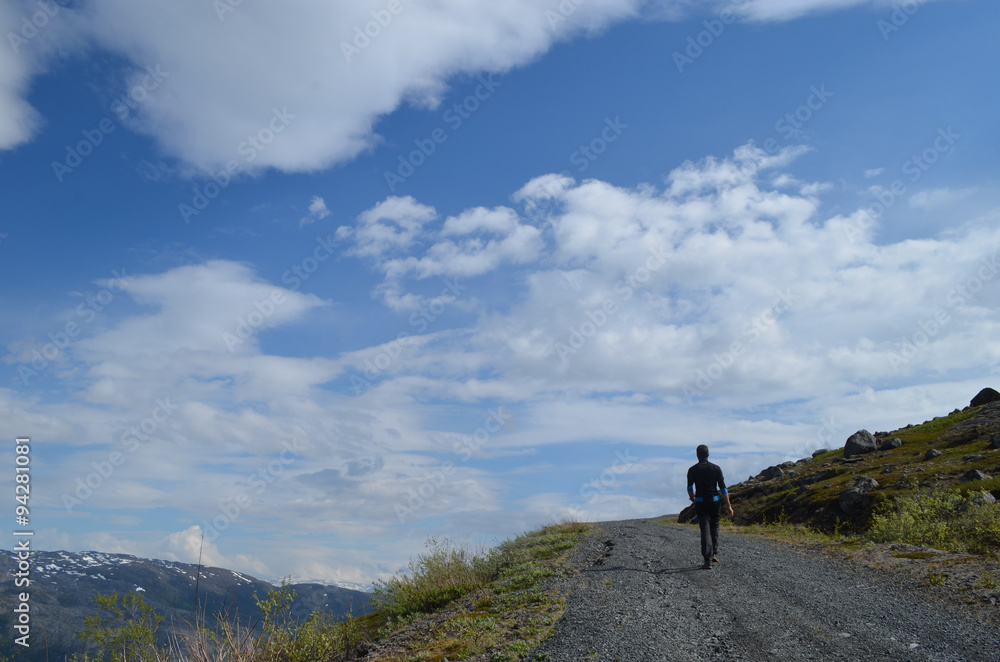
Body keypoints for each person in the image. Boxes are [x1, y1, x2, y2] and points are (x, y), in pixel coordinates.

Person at [686, 444, 733, 569]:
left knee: (705, 529)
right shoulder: (716, 468)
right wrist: (729, 505)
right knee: (714, 527)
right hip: (715, 501)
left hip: (701, 502)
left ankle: (707, 559)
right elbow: (723, 488)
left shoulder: (692, 470)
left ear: (697, 455)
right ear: (708, 454)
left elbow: (690, 488)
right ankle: (713, 553)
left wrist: (692, 498)